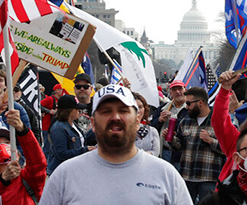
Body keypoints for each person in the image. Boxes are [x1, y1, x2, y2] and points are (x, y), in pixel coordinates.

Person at [39, 84, 192, 204]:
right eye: (106, 111)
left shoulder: (166, 175)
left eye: (124, 110)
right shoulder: (65, 175)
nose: (116, 117)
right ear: (93, 122)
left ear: (138, 120)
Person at [168, 87, 225, 202]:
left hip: (208, 177)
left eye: (188, 103)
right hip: (187, 176)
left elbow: (228, 149)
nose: (186, 106)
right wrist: (172, 140)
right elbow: (179, 147)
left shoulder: (219, 121)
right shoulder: (185, 121)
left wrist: (210, 140)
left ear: (200, 103)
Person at [0, 113, 46, 205]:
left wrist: (23, 131)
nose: (2, 146)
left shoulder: (26, 178)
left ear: (17, 155)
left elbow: (38, 162)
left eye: (7, 142)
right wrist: (2, 180)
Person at [46, 94, 93, 174]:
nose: (79, 111)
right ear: (69, 110)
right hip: (61, 172)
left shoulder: (72, 123)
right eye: (77, 109)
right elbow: (62, 154)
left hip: (73, 169)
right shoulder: (59, 128)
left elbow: (83, 139)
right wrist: (85, 150)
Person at [152, 79, 189, 168]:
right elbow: (152, 127)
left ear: (185, 90)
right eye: (174, 90)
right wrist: (159, 120)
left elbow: (190, 127)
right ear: (170, 93)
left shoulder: (190, 108)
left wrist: (174, 119)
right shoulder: (163, 108)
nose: (177, 92)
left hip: (182, 154)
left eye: (180, 89)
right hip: (164, 152)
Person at [40, 84, 63, 151]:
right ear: (57, 91)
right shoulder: (50, 99)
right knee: (47, 146)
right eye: (61, 89)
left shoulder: (58, 100)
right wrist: (49, 111)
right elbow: (38, 105)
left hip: (53, 126)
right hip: (47, 126)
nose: (62, 91)